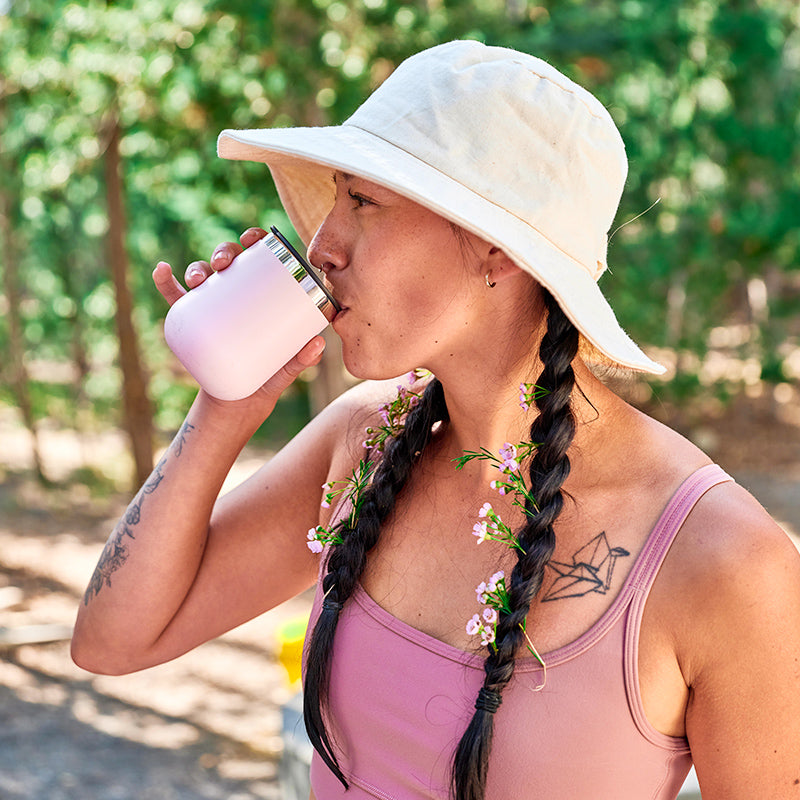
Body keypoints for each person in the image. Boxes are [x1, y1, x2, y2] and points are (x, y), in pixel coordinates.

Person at [71, 40, 800, 800]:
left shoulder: (724, 562)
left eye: (363, 200)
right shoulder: (362, 444)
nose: (321, 246)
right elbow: (113, 641)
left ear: (496, 249)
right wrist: (225, 405)